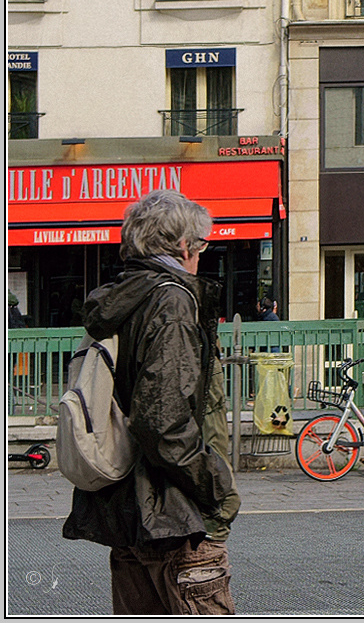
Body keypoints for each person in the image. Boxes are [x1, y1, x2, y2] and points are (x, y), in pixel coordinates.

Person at [62, 189, 240, 614]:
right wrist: (217, 485)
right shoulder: (172, 300)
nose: (201, 255)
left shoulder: (123, 297)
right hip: (176, 519)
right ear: (183, 246)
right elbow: (163, 421)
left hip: (124, 514)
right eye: (200, 246)